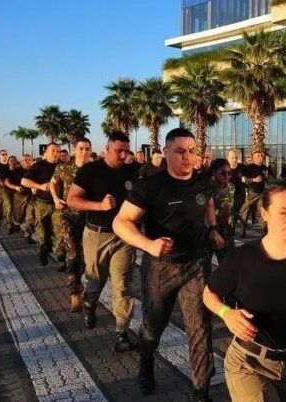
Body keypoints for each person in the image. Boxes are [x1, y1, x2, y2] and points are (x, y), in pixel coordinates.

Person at [113, 128, 222, 401]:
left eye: (192, 151)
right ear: (165, 152)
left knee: (200, 329)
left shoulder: (204, 181)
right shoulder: (150, 186)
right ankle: (146, 363)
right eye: (180, 151)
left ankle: (201, 391)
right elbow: (120, 222)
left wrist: (212, 228)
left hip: (196, 265)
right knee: (153, 325)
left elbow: (209, 204)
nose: (187, 157)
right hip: (160, 267)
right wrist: (148, 244)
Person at [204, 180, 286, 401]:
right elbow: (209, 293)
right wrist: (227, 313)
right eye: (283, 212)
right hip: (249, 361)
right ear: (264, 213)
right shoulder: (243, 258)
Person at [67, 132, 137, 351]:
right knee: (96, 279)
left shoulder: (132, 171)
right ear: (107, 149)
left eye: (126, 151)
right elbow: (72, 200)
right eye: (119, 151)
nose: (123, 155)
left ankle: (122, 332)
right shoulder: (90, 170)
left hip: (124, 237)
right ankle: (89, 303)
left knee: (122, 285)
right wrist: (99, 206)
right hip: (97, 235)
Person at [50, 138, 91, 312]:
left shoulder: (95, 169)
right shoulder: (63, 168)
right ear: (75, 150)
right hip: (69, 217)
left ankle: (83, 287)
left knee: (87, 258)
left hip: (89, 218)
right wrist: (56, 199)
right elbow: (52, 183)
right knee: (73, 254)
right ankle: (75, 293)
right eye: (81, 148)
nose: (84, 152)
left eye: (87, 149)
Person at [21, 143, 61, 266]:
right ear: (46, 152)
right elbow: (24, 181)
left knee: (59, 230)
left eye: (58, 151)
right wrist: (39, 186)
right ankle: (43, 249)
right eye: (53, 150)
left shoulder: (62, 166)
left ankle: (61, 257)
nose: (56, 153)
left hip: (58, 204)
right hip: (42, 203)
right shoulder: (39, 165)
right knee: (42, 229)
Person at [209, 158, 236, 262]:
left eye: (229, 173)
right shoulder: (207, 189)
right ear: (214, 173)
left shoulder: (231, 187)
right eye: (223, 173)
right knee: (204, 266)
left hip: (227, 230)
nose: (227, 176)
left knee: (229, 264)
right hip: (211, 230)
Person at [6, 154, 35, 243]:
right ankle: (16, 223)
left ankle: (27, 235)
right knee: (18, 216)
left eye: (29, 160)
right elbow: (7, 181)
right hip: (19, 196)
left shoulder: (35, 170)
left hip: (31, 197)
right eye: (25, 160)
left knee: (31, 216)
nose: (27, 161)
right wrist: (15, 187)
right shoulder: (16, 171)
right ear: (21, 161)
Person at [240, 150, 268, 237]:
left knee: (262, 211)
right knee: (246, 211)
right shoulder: (249, 167)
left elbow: (268, 179)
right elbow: (243, 179)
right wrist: (254, 179)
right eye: (257, 156)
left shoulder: (264, 167)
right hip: (252, 193)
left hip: (262, 193)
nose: (260, 158)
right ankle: (243, 231)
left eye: (261, 156)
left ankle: (264, 232)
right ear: (253, 158)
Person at [226, 148, 246, 232]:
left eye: (236, 158)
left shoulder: (242, 167)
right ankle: (237, 224)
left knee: (234, 213)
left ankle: (232, 229)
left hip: (239, 195)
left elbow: (249, 178)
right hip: (227, 195)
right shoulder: (224, 168)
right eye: (232, 158)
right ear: (227, 158)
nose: (234, 160)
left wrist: (245, 179)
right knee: (229, 213)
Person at [2, 155, 23, 234]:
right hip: (7, 191)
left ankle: (16, 223)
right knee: (9, 207)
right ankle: (10, 225)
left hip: (18, 192)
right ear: (8, 162)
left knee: (17, 209)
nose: (13, 162)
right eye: (11, 160)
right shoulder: (5, 171)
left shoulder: (20, 170)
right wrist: (15, 187)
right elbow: (6, 182)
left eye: (15, 160)